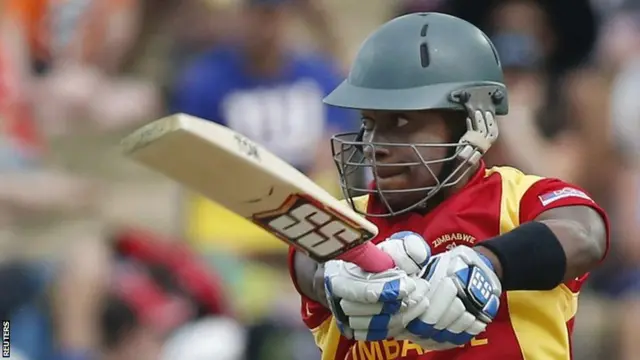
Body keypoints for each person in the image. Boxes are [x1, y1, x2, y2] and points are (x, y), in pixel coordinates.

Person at [288, 12, 609, 360]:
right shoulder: (346, 223)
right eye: (369, 122)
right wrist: (335, 282)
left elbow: (587, 234)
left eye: (401, 121)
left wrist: (487, 265)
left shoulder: (516, 200)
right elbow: (308, 258)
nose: (373, 144)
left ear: (470, 123)